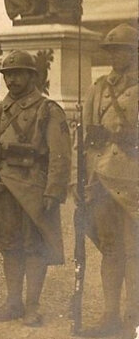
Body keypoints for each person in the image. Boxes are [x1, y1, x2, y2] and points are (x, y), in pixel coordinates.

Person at [0, 50, 70, 327]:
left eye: (18, 74)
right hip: (1, 187)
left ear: (32, 76)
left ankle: (32, 305)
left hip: (33, 188)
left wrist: (53, 190)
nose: (11, 80)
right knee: (8, 245)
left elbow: (60, 154)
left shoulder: (47, 110)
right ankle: (13, 301)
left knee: (33, 247)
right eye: (7, 75)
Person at [78, 24, 138, 337]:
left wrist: (125, 136)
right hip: (102, 179)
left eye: (122, 50)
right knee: (111, 248)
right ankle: (110, 314)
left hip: (133, 182)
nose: (116, 56)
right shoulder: (99, 88)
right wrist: (85, 182)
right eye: (111, 50)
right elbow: (87, 137)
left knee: (134, 249)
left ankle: (134, 318)